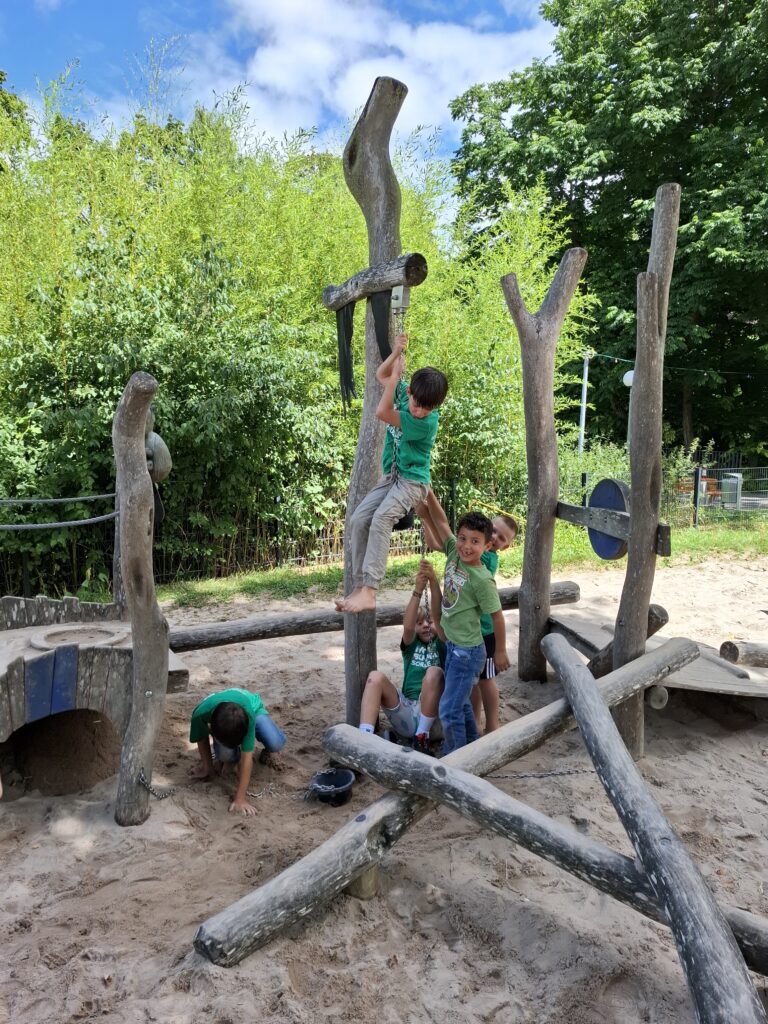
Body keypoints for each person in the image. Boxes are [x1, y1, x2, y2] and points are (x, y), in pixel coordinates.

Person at [336, 333, 448, 614]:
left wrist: (397, 381)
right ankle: (361, 586)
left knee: (382, 518)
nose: (420, 411)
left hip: (413, 482)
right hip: (392, 478)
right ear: (410, 392)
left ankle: (371, 589)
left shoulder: (425, 423)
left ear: (434, 407)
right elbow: (380, 374)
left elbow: (382, 411)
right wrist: (395, 353)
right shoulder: (404, 393)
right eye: (417, 404)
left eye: (427, 408)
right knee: (360, 518)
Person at [414, 489, 510, 755]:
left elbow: (497, 615)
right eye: (463, 538)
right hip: (454, 645)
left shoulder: (481, 578)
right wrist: (429, 493)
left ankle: (454, 757)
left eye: (475, 541)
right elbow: (442, 522)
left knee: (449, 708)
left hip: (468, 652)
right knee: (463, 704)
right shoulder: (453, 554)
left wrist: (500, 650)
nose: (467, 546)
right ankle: (471, 749)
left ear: (487, 546)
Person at [358, 560, 445, 747]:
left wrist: (434, 581)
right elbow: (407, 625)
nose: (425, 626)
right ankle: (364, 737)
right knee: (375, 677)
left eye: (429, 622)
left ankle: (420, 738)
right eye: (420, 623)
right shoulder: (411, 646)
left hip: (433, 720)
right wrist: (418, 590)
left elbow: (440, 617)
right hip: (407, 711)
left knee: (434, 672)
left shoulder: (442, 644)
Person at [189, 688, 286, 816]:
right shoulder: (200, 714)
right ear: (210, 729)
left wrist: (240, 798)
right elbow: (201, 738)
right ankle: (230, 757)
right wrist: (208, 768)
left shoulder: (248, 717)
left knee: (276, 742)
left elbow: (247, 758)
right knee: (226, 755)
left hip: (253, 709)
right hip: (221, 714)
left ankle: (267, 749)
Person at [471, 512, 518, 733]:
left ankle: (492, 726)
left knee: (486, 680)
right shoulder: (480, 547)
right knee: (474, 680)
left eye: (501, 538)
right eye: (494, 530)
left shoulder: (489, 558)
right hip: (471, 629)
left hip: (485, 632)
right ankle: (474, 721)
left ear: (505, 546)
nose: (495, 536)